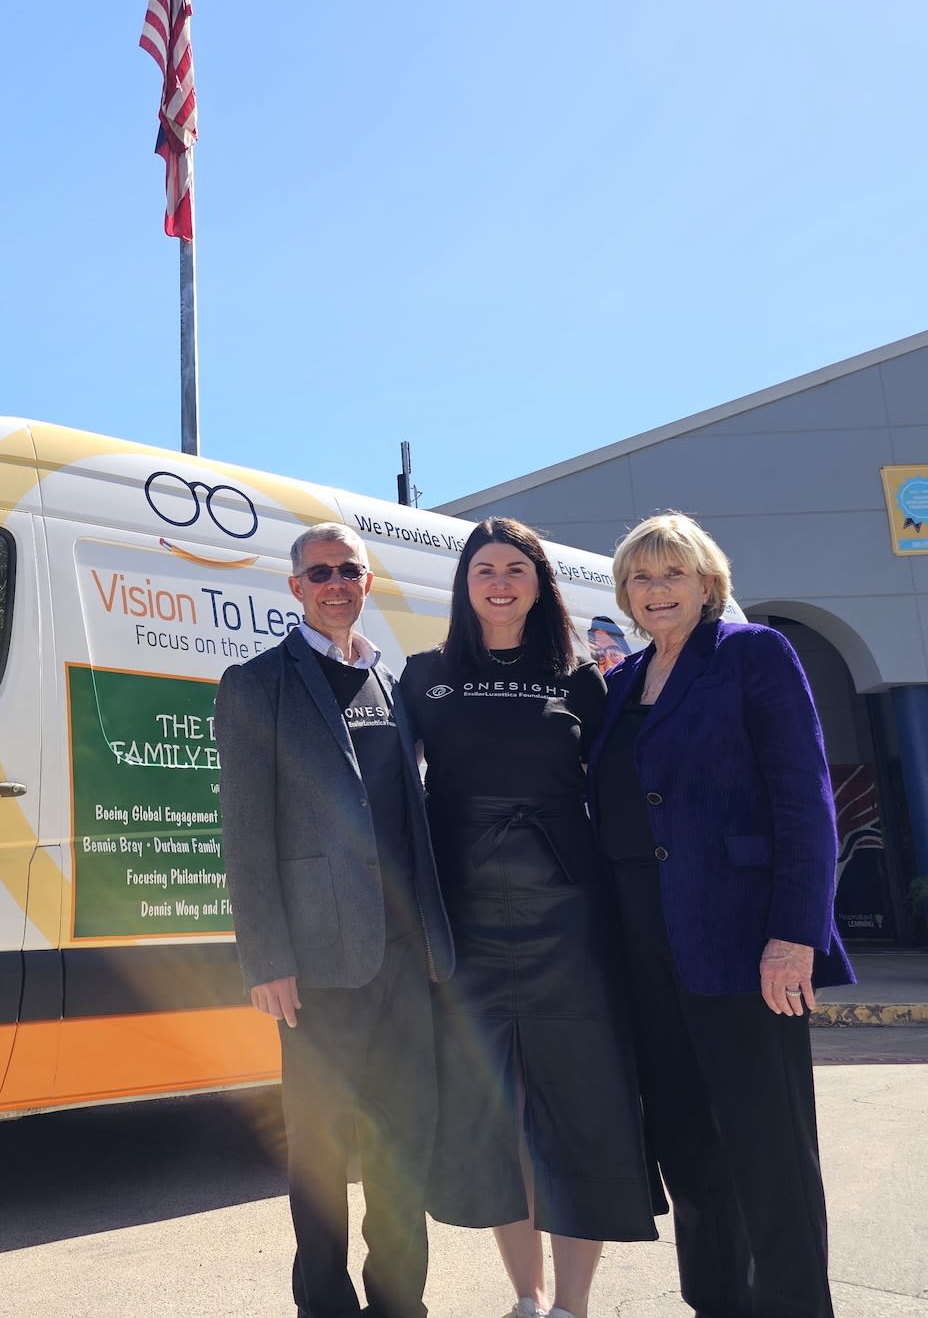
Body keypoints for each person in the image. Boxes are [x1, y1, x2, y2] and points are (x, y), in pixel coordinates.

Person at [585, 512, 854, 1318]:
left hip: (744, 945)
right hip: (643, 949)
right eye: (641, 577)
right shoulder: (622, 682)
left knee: (769, 1151)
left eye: (673, 573)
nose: (656, 590)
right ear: (624, 595)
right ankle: (717, 1303)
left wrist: (795, 936)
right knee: (688, 1149)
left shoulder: (752, 654)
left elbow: (806, 802)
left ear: (708, 583)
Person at [397, 518, 659, 1318]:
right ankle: (527, 1296)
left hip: (568, 912)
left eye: (516, 568)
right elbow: (389, 793)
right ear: (464, 584)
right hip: (464, 913)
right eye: (484, 569)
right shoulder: (424, 675)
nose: (500, 582)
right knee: (494, 1109)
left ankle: (574, 1305)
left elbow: (625, 794)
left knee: (582, 1104)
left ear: (540, 584)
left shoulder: (583, 680)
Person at [217, 522, 456, 1318]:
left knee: (404, 1145)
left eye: (348, 570)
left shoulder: (393, 684)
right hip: (318, 965)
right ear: (295, 587)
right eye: (319, 573)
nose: (335, 584)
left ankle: (400, 1303)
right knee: (319, 1155)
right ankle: (324, 1303)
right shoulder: (257, 684)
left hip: (405, 959)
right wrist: (266, 960)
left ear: (366, 581)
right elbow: (246, 835)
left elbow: (414, 817)